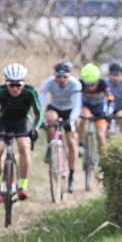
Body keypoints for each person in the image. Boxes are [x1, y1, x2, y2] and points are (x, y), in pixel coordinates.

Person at [0, 63, 42, 203]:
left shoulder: (30, 91)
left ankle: (23, 185)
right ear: (5, 82)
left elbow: (38, 113)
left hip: (22, 122)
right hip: (3, 122)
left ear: (24, 82)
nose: (14, 88)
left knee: (24, 145)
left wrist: (35, 128)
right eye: (10, 84)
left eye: (18, 85)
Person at [39, 60, 82, 193]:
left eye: (65, 77)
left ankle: (71, 178)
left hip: (70, 110)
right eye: (59, 76)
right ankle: (50, 145)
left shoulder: (75, 84)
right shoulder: (48, 83)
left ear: (69, 76)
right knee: (50, 118)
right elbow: (41, 103)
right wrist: (40, 118)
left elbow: (77, 105)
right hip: (55, 108)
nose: (61, 79)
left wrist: (72, 119)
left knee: (71, 142)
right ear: (54, 75)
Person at [78, 62, 114, 159]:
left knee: (101, 135)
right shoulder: (79, 83)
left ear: (97, 80)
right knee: (84, 116)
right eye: (87, 83)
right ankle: (80, 144)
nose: (89, 86)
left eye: (92, 83)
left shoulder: (103, 84)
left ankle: (103, 161)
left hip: (100, 111)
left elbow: (110, 97)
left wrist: (109, 111)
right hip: (86, 108)